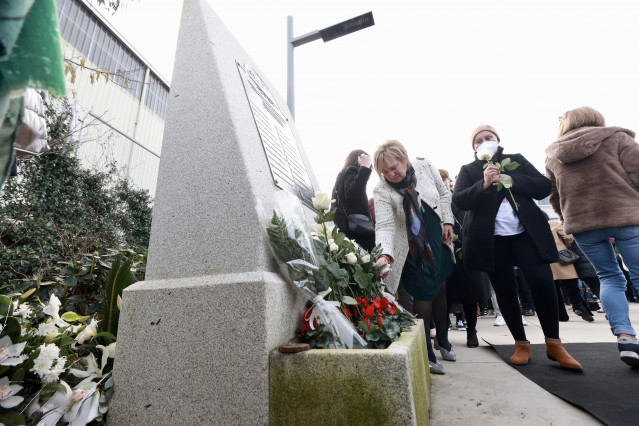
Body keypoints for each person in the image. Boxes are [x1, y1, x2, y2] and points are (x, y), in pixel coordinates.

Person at [453, 124, 582, 371]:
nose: (484, 141)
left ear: (498, 140)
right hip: (493, 239)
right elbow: (459, 199)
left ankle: (554, 344)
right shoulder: (469, 170)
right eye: (478, 140)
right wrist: (482, 184)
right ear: (474, 147)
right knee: (505, 290)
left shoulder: (517, 160)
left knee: (542, 281)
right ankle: (521, 344)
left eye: (488, 137)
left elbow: (543, 186)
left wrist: (513, 179)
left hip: (525, 234)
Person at [546, 107, 639, 366]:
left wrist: (567, 219)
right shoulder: (618, 138)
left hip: (583, 224)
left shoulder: (554, 155)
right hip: (625, 215)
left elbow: (555, 197)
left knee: (609, 277)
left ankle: (625, 338)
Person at [372, 140, 455, 374]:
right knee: (423, 292)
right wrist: (385, 254)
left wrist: (448, 220)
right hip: (411, 247)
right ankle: (425, 350)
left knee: (440, 288)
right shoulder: (381, 190)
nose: (392, 174)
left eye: (394, 166)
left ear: (405, 159)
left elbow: (442, 193)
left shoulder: (425, 166)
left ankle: (444, 340)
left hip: (436, 237)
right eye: (385, 171)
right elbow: (385, 225)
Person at [439, 168, 485, 348]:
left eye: (445, 179)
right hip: (444, 252)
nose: (443, 183)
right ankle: (443, 334)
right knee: (445, 295)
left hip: (465, 249)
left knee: (470, 294)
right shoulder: (435, 202)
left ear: (450, 182)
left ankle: (471, 331)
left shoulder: (460, 198)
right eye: (439, 180)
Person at [548, 218, 594, 322]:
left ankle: (561, 315)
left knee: (554, 289)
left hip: (545, 260)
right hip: (561, 258)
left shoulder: (532, 227)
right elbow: (568, 237)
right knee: (571, 283)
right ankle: (578, 306)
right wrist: (564, 245)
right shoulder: (553, 224)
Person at [331, 150, 376, 252]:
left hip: (347, 234)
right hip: (357, 234)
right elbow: (353, 195)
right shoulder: (351, 171)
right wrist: (364, 168)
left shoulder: (341, 177)